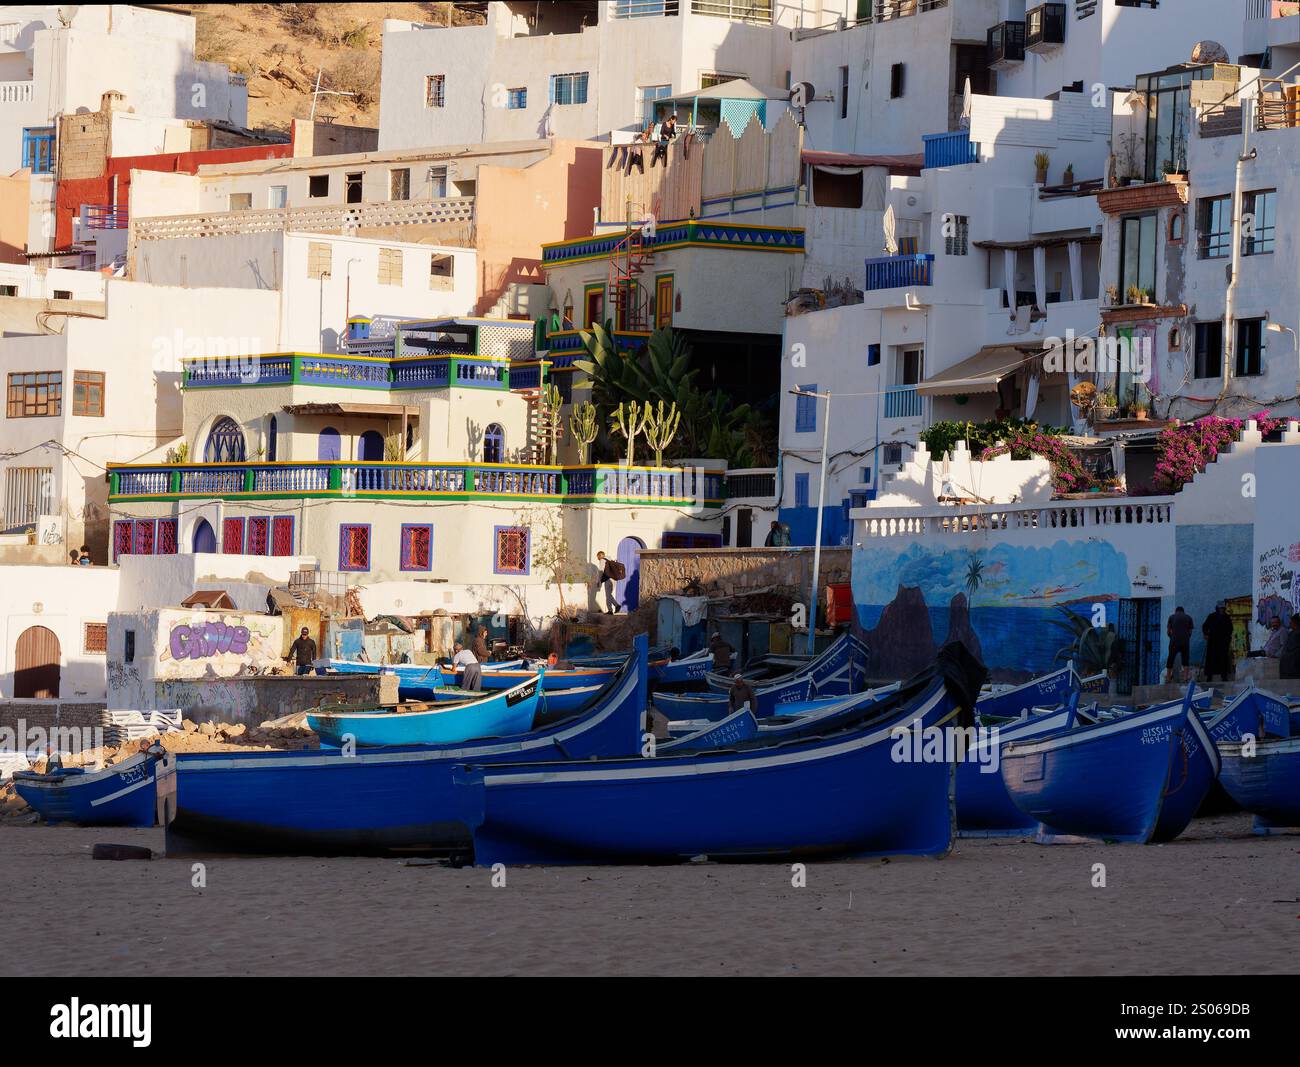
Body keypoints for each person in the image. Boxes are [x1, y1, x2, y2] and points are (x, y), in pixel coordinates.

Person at [1202, 602, 1235, 683]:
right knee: (1211, 659)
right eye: (1220, 608)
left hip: (1223, 642)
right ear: (1217, 608)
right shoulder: (1212, 616)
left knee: (1223, 659)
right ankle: (1209, 677)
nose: (1221, 610)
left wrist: (1228, 638)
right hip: (1212, 641)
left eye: (1223, 608)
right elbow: (1205, 626)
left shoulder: (1227, 617)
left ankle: (1224, 676)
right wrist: (1206, 634)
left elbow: (1230, 628)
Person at [1165, 605, 1194, 683]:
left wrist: (1171, 637)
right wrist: (1186, 638)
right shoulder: (1188, 617)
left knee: (1171, 658)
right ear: (1183, 611)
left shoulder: (1172, 617)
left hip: (1174, 641)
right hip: (1185, 641)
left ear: (1176, 611)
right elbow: (1190, 631)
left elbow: (1168, 631)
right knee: (1185, 659)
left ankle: (1168, 677)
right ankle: (1185, 677)